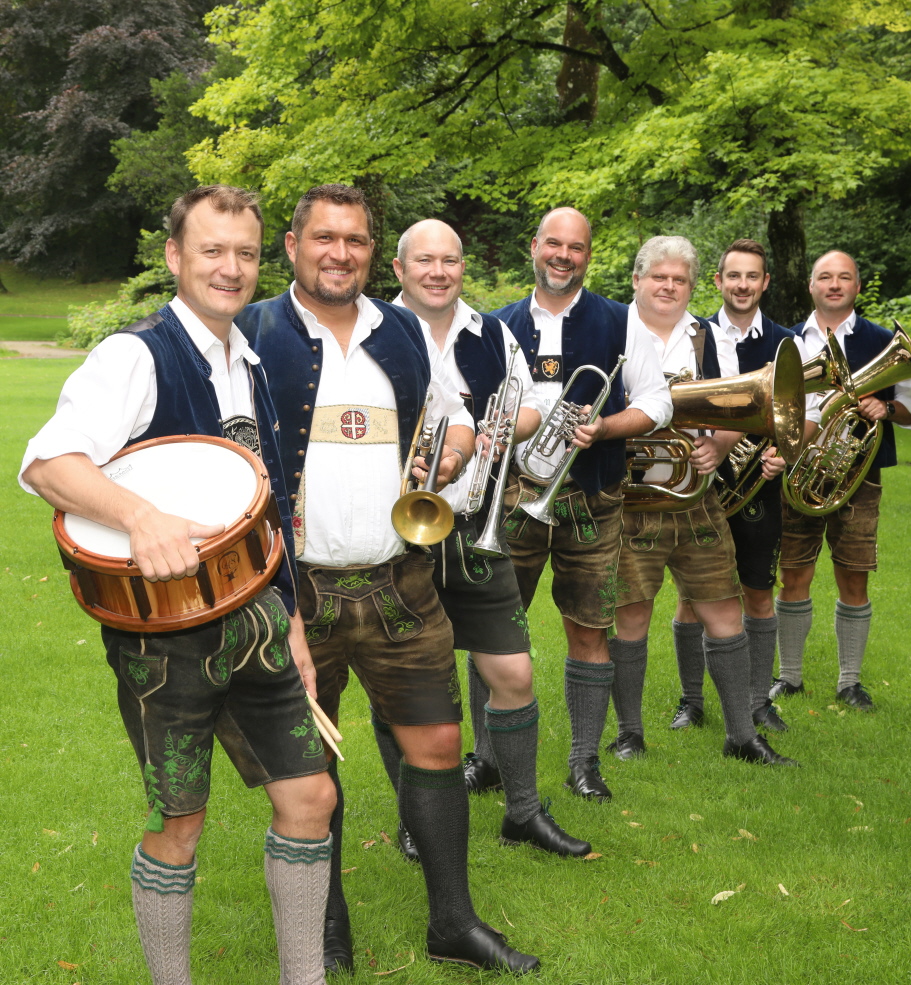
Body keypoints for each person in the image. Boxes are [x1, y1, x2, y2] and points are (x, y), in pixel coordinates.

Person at [19, 185, 337, 985]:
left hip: (258, 619)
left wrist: (294, 622)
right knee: (180, 824)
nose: (230, 268)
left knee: (311, 798)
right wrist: (139, 515)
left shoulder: (249, 359)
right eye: (211, 250)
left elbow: (268, 509)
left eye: (244, 253)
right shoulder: (135, 355)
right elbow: (48, 462)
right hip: (164, 642)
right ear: (174, 255)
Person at [237, 184, 540, 976]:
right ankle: (325, 929)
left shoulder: (400, 327)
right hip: (295, 591)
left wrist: (455, 450)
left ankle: (453, 923)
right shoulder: (251, 331)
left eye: (356, 240)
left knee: (437, 741)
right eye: (324, 237)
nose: (340, 253)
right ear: (293, 245)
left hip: (400, 578)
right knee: (310, 772)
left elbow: (456, 413)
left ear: (373, 252)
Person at [390, 217, 591, 857]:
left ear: (462, 267)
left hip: (475, 525)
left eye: (450, 260)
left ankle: (522, 813)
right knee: (404, 686)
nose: (438, 272)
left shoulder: (492, 332)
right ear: (399, 269)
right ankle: (414, 818)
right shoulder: (375, 332)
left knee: (513, 671)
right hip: (396, 536)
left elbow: (530, 404)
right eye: (425, 260)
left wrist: (500, 429)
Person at [492, 207, 673, 802]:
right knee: (495, 632)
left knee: (590, 628)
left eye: (576, 247)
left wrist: (607, 427)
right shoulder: (496, 325)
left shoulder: (623, 320)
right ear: (534, 246)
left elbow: (657, 401)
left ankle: (584, 761)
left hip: (592, 496)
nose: (563, 256)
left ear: (588, 256)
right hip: (513, 497)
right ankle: (487, 759)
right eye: (554, 244)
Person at [608, 235, 798, 767]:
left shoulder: (710, 337)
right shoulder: (612, 329)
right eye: (659, 277)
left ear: (693, 287)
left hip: (696, 497)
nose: (669, 287)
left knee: (723, 608)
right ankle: (629, 734)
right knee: (631, 616)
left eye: (680, 280)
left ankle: (742, 735)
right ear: (637, 281)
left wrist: (720, 444)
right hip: (631, 500)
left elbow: (742, 407)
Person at [771, 250, 911, 710]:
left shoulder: (882, 342)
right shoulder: (788, 341)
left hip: (859, 476)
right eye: (825, 277)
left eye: (844, 277)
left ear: (857, 287)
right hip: (797, 473)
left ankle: (849, 683)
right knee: (793, 574)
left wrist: (888, 407)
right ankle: (789, 677)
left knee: (854, 577)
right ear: (811, 285)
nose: (834, 284)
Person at [680, 238, 821, 733]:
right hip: (700, 482)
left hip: (758, 486)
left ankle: (759, 702)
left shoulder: (789, 343)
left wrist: (787, 450)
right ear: (718, 281)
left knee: (758, 593)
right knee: (691, 597)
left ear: (765, 282)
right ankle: (691, 702)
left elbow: (810, 413)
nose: (742, 285)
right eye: (733, 276)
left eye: (752, 276)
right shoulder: (692, 335)